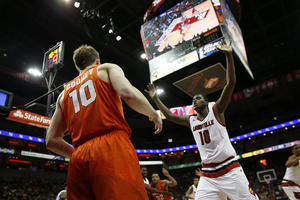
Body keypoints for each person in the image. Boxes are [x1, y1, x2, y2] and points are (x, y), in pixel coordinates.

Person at [145, 40, 258, 200]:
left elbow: (231, 83)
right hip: (208, 174)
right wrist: (156, 98)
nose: (194, 100)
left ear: (206, 102)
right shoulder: (191, 121)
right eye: (193, 99)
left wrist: (229, 55)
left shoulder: (216, 111)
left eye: (198, 98)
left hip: (230, 169)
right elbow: (169, 116)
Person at [46, 45, 163, 200]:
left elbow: (51, 140)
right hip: (110, 146)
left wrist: (77, 155)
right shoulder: (105, 68)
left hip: (79, 157)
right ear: (97, 61)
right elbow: (128, 93)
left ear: (77, 67)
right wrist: (153, 113)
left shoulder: (63, 94)